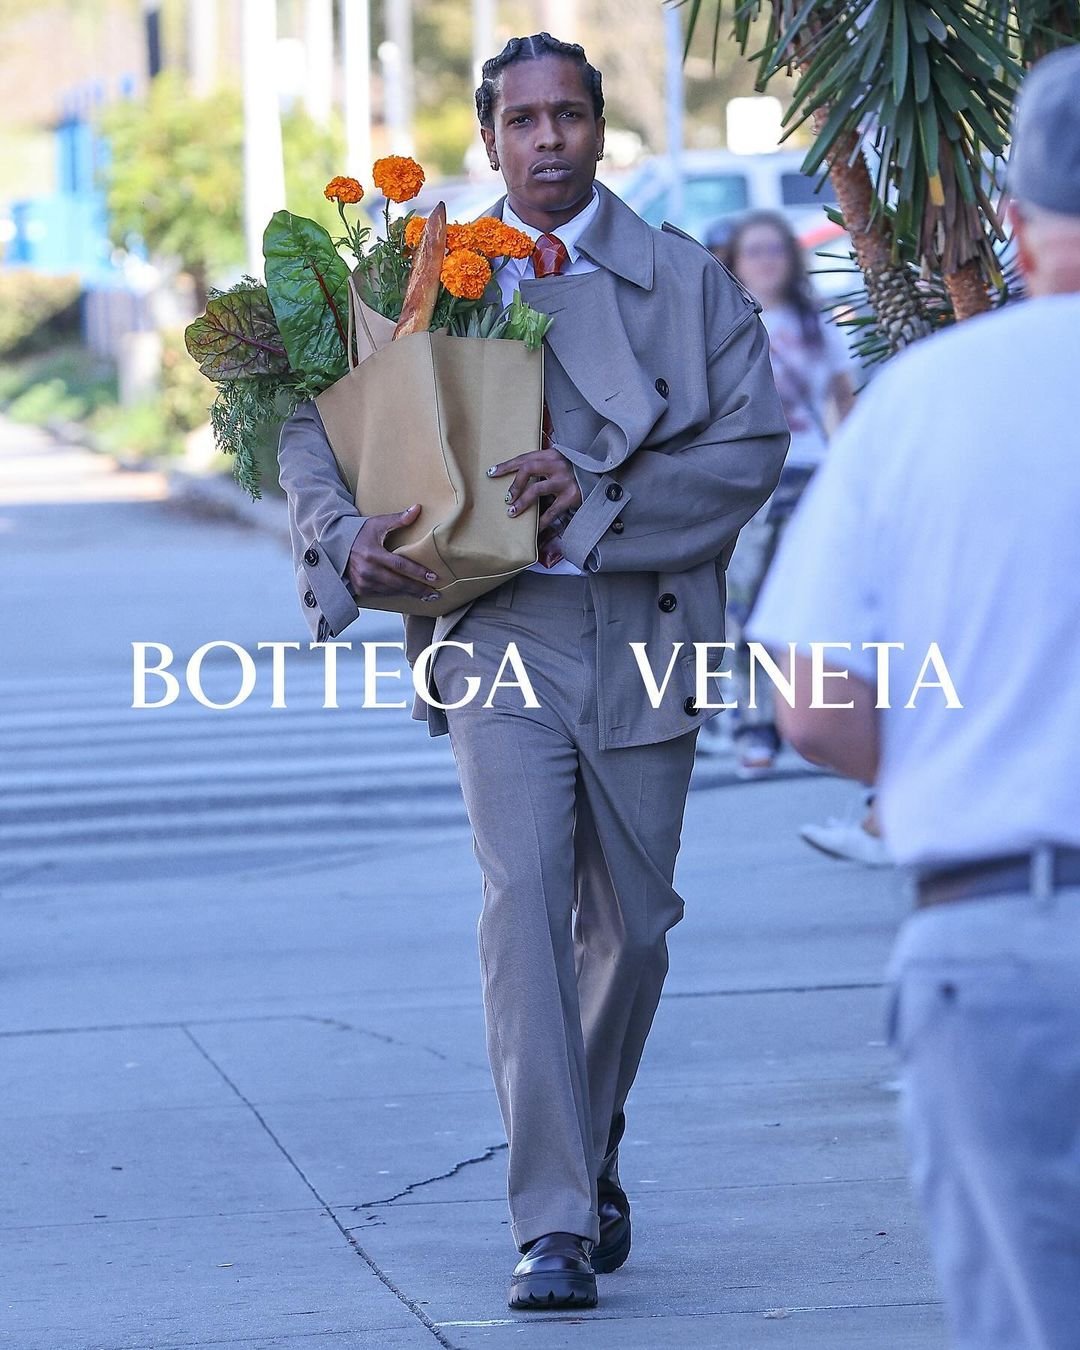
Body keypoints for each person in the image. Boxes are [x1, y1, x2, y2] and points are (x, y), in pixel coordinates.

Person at [276, 33, 788, 1313]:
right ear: (491, 137)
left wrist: (601, 491)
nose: (548, 138)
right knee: (524, 908)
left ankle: (589, 1130)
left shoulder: (685, 282)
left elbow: (752, 448)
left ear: (601, 130)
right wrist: (347, 541)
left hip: (645, 623)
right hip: (494, 629)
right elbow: (310, 422)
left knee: (637, 929)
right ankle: (551, 1218)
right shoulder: (415, 275)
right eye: (523, 120)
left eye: (570, 116)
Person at [746, 46, 1080, 1349]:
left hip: (996, 940)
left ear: (1014, 225)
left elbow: (815, 707)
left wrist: (959, 754)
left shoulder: (921, 403)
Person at [702, 210, 854, 778]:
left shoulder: (820, 325)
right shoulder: (722, 325)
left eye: (775, 250)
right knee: (745, 607)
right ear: (735, 262)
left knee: (808, 603)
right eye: (754, 251)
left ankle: (808, 720)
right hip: (749, 482)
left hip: (813, 477)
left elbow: (843, 402)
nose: (766, 261)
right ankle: (753, 722)